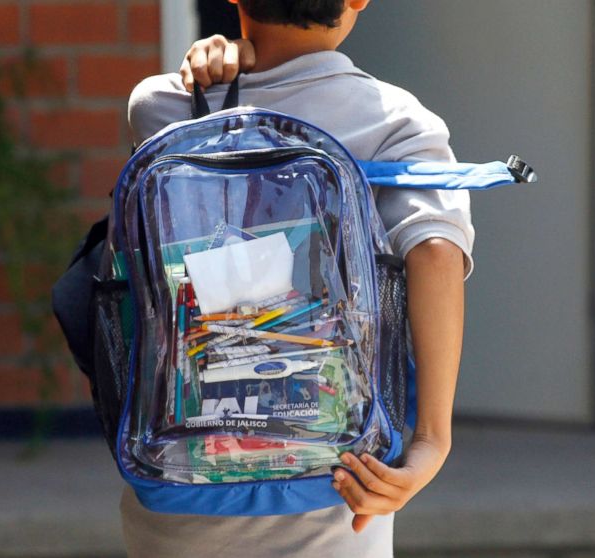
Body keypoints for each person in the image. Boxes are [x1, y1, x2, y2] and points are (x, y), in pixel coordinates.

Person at [122, 1, 469, 556]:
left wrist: (227, 58)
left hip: (180, 484)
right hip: (334, 487)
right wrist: (431, 442)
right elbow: (435, 253)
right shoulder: (398, 122)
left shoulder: (163, 106)